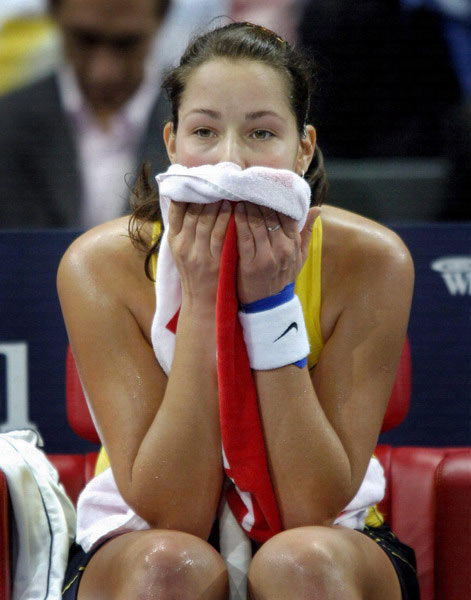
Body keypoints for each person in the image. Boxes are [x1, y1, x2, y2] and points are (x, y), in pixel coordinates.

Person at [57, 22, 419, 600]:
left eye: (260, 133)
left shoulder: (373, 261)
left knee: (301, 564)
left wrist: (271, 304)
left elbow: (311, 507)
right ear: (172, 143)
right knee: (167, 566)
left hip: (332, 537)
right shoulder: (98, 266)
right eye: (205, 131)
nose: (232, 162)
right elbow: (174, 512)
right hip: (142, 535)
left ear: (303, 147)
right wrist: (201, 302)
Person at [0, 0, 171, 229]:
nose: (103, 72)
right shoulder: (7, 124)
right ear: (53, 12)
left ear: (162, 19)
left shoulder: (203, 128)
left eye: (126, 43)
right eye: (84, 40)